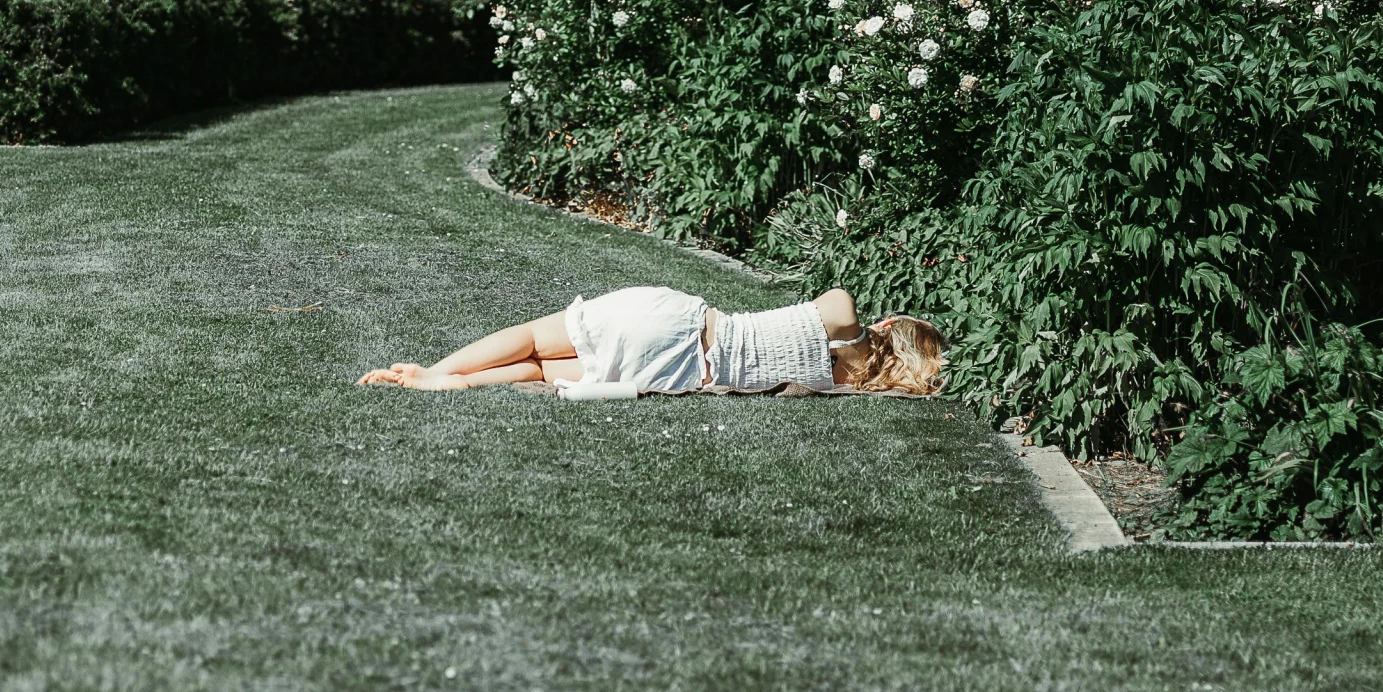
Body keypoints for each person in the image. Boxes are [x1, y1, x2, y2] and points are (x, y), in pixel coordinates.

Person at [358, 285, 948, 395]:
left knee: (533, 337)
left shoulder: (843, 318)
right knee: (542, 372)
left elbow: (838, 303)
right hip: (682, 376)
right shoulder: (841, 385)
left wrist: (876, 327)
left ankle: (432, 369)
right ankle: (447, 384)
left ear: (890, 330)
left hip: (679, 325)